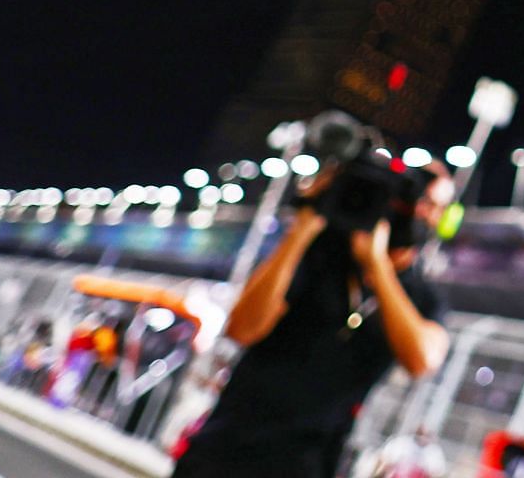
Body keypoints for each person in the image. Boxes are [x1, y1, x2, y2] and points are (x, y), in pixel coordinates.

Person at [171, 163, 454, 478]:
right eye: (412, 200)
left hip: (311, 463)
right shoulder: (319, 256)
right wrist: (304, 226)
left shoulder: (422, 297)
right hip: (226, 447)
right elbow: (242, 329)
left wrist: (377, 266)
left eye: (433, 206)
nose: (421, 212)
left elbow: (422, 360)